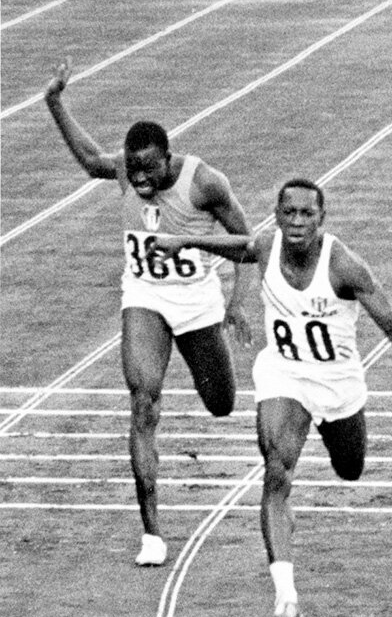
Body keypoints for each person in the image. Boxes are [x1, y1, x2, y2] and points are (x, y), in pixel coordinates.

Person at [151, 178, 392, 617]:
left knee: (350, 468)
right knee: (276, 469)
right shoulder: (266, 246)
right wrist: (182, 240)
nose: (297, 222)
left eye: (307, 214)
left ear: (322, 219)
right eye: (289, 213)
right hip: (285, 375)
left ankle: (336, 448)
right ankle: (286, 597)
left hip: (338, 384)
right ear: (277, 215)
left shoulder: (346, 266)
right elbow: (238, 246)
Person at [44, 57, 254, 568]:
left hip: (198, 300)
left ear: (168, 158)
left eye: (148, 168)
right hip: (145, 297)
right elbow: (92, 159)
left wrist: (235, 305)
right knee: (143, 403)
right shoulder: (125, 169)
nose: (138, 178)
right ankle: (153, 533)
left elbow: (248, 245)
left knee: (222, 404)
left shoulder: (205, 183)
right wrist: (54, 102)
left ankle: (212, 366)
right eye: (132, 169)